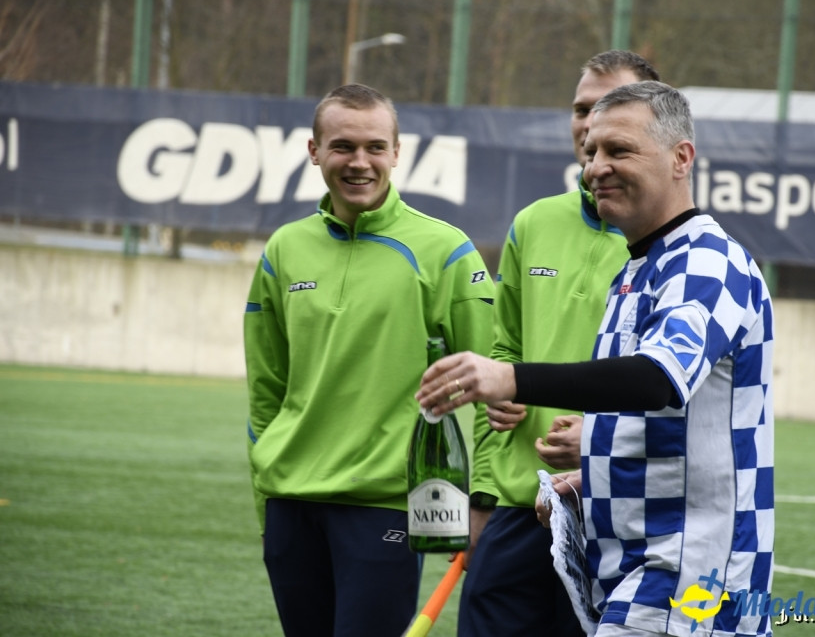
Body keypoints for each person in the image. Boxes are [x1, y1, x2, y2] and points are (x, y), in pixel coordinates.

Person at [418, 81, 775, 637]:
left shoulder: (708, 261)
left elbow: (655, 380)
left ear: (681, 158)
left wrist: (508, 378)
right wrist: (592, 479)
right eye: (591, 152)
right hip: (631, 568)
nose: (596, 167)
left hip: (690, 577)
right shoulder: (636, 271)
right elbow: (664, 424)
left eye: (619, 150)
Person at [243, 83, 495, 637]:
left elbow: (498, 386)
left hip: (388, 506)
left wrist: (482, 501)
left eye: (375, 147)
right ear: (315, 151)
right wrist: (266, 499)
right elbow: (266, 390)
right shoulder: (283, 250)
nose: (360, 162)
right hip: (290, 504)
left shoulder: (445, 251)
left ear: (397, 153)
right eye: (343, 146)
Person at [461, 50, 660, 637]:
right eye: (580, 109)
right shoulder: (532, 223)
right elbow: (504, 351)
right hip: (518, 506)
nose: (590, 123)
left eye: (609, 107)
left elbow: (680, 393)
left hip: (614, 515)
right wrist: (483, 494)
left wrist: (598, 440)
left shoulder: (676, 248)